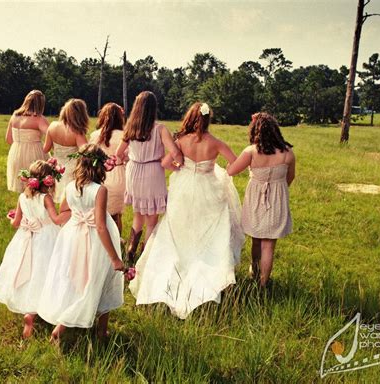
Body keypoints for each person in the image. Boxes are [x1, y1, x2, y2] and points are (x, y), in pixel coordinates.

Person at [129, 102, 245, 319]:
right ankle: (207, 272)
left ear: (190, 118)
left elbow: (165, 163)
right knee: (208, 232)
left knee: (178, 229)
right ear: (208, 119)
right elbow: (235, 164)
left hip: (183, 187)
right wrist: (219, 170)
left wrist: (180, 167)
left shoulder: (181, 140)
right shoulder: (216, 143)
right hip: (207, 187)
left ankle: (171, 274)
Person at [38, 143, 124, 342]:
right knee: (101, 278)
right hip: (95, 238)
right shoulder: (99, 190)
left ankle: (67, 324)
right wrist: (114, 258)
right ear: (100, 167)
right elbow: (101, 226)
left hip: (73, 236)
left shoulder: (70, 187)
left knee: (76, 279)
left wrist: (78, 214)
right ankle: (98, 330)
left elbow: (64, 212)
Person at [0, 158, 70, 338]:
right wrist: (69, 212)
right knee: (45, 272)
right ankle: (36, 310)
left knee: (27, 272)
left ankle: (28, 311)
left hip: (26, 237)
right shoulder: (46, 198)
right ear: (49, 181)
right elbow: (56, 220)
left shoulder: (22, 197)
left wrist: (10, 217)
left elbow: (16, 223)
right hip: (46, 238)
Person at [227, 112, 295, 288]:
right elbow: (290, 178)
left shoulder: (251, 151)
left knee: (256, 239)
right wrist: (277, 188)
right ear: (275, 131)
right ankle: (263, 284)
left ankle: (254, 273)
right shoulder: (288, 153)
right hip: (277, 200)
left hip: (256, 199)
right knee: (269, 245)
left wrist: (229, 164)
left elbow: (231, 171)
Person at [116, 91, 183, 263]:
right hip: (152, 172)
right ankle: (145, 257)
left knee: (138, 215)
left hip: (134, 171)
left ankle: (131, 250)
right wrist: (178, 165)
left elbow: (118, 153)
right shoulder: (160, 129)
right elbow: (174, 151)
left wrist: (129, 158)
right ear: (154, 108)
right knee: (152, 219)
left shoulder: (130, 128)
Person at [90, 103, 126, 234]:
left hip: (100, 175)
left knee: (100, 214)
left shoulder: (95, 135)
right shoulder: (124, 135)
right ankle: (116, 243)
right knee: (116, 216)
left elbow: (90, 156)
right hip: (119, 175)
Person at [43, 98, 88, 203]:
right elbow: (86, 153)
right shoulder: (77, 132)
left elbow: (46, 149)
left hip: (56, 168)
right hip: (72, 170)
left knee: (59, 199)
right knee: (70, 201)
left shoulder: (53, 126)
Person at [6, 90, 49, 192]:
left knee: (23, 185)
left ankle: (23, 206)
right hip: (34, 153)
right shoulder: (39, 119)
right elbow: (51, 134)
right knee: (37, 187)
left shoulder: (15, 116)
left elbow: (8, 139)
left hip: (15, 153)